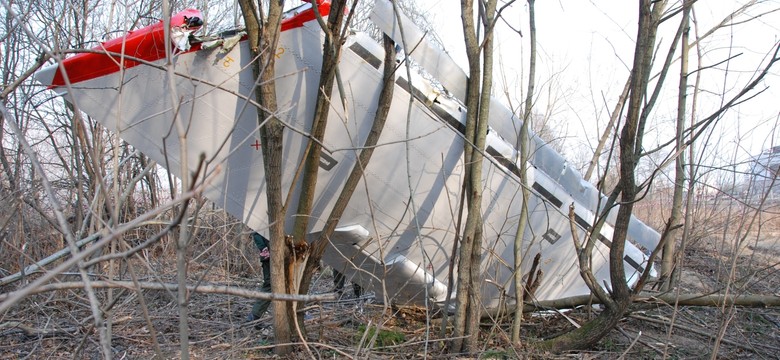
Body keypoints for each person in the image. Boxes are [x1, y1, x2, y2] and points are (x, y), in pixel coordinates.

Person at [248, 231, 271, 324]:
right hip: (269, 258)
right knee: (270, 285)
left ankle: (299, 312)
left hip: (287, 256)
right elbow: (256, 232)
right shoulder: (262, 220)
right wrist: (264, 249)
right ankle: (255, 315)